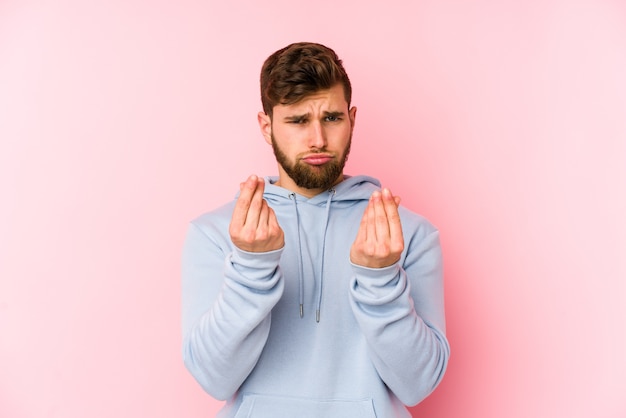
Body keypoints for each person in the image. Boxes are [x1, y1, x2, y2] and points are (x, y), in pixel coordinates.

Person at [181, 42, 450, 418]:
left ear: (352, 119)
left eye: (332, 118)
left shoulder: (405, 232)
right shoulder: (218, 232)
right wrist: (251, 267)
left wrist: (381, 279)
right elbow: (214, 379)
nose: (318, 140)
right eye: (297, 121)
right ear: (266, 125)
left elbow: (417, 385)